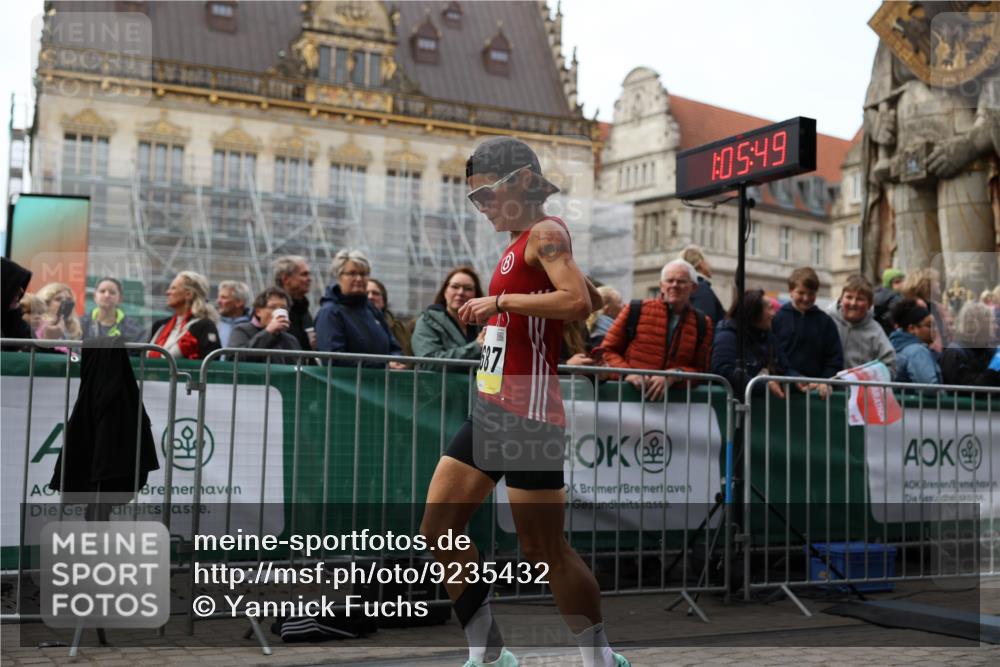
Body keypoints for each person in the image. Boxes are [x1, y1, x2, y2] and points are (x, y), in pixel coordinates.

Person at [419, 137, 628, 667]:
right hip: (494, 408)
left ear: (522, 181)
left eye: (486, 193)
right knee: (439, 528)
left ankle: (600, 658)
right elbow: (581, 301)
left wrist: (499, 302)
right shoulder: (518, 243)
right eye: (474, 198)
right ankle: (488, 655)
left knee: (545, 550)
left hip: (528, 415)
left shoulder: (547, 232)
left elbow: (580, 301)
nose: (481, 204)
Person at [597, 259, 713, 400]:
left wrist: (675, 375)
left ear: (694, 287)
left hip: (675, 409)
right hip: (627, 401)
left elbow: (701, 370)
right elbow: (606, 351)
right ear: (661, 285)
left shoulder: (702, 323)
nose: (674, 285)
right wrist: (628, 373)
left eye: (681, 281)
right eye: (669, 281)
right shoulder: (635, 309)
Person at [315, 249, 405, 369]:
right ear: (339, 276)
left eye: (363, 274)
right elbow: (334, 359)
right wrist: (383, 366)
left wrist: (396, 360)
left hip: (380, 384)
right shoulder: (330, 312)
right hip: (347, 386)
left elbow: (394, 346)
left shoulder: (372, 310)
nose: (359, 279)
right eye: (352, 274)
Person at [712, 289, 809, 398]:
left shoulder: (770, 338)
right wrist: (761, 385)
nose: (774, 313)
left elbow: (785, 368)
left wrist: (797, 380)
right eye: (770, 308)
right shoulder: (728, 336)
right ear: (755, 312)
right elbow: (724, 370)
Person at [771, 267, 843, 393]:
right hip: (784, 388)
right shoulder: (777, 318)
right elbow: (773, 353)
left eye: (811, 294)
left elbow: (834, 358)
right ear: (791, 291)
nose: (806, 298)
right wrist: (792, 377)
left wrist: (825, 381)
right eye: (801, 293)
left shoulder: (825, 322)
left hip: (817, 390)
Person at [410, 267, 484, 365]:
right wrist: (476, 347)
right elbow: (428, 361)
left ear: (476, 295)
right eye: (455, 286)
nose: (460, 292)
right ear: (445, 291)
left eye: (468, 288)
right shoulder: (427, 321)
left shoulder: (485, 324)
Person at [829, 275, 896, 377]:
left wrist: (868, 379)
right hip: (825, 390)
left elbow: (889, 365)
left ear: (869, 304)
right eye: (849, 297)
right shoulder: (828, 321)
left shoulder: (875, 331)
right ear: (841, 299)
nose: (853, 303)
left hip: (861, 391)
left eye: (860, 299)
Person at [147, 271, 221, 360]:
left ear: (188, 294)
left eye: (173, 288)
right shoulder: (160, 325)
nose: (167, 292)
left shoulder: (204, 326)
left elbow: (211, 364)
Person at [228, 287, 303, 365]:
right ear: (258, 311)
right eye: (273, 307)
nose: (278, 311)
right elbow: (235, 359)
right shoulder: (241, 331)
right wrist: (268, 332)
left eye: (284, 308)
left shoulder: (290, 339)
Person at [940, 301, 1000, 387]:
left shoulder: (984, 349)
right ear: (977, 326)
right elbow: (973, 388)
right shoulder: (955, 353)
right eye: (991, 323)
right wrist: (993, 370)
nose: (996, 327)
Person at [888, 298, 942, 386]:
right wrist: (943, 395)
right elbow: (930, 387)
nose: (935, 329)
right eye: (929, 325)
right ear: (912, 329)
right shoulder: (917, 351)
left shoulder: (896, 346)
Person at [79, 277, 146, 343]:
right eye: (102, 291)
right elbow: (74, 351)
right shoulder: (80, 324)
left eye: (112, 292)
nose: (107, 295)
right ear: (94, 296)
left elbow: (138, 352)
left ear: (120, 298)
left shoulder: (134, 329)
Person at [273, 255, 315, 353]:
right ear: (286, 279)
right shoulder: (270, 308)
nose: (309, 279)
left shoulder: (303, 309)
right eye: (304, 275)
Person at [901, 268, 947, 353]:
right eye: (936, 281)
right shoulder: (920, 307)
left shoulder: (931, 305)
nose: (938, 284)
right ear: (926, 285)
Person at [367, 277, 414, 357]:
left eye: (375, 293)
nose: (370, 297)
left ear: (384, 300)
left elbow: (407, 354)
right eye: (366, 294)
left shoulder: (396, 327)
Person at [680, 244, 725, 324]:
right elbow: (705, 322)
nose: (710, 265)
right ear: (701, 264)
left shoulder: (691, 286)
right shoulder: (701, 287)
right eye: (707, 261)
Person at [1, 257, 33, 348]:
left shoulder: (11, 318)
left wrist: (13, 314)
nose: (21, 291)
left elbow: (32, 344)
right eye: (14, 285)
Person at [215, 280, 251, 348]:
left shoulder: (253, 326)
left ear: (239, 302)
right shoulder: (214, 323)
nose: (218, 301)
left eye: (224, 297)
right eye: (219, 297)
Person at [585, 285, 622, 349]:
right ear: (607, 309)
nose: (623, 306)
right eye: (620, 302)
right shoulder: (604, 336)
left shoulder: (589, 329)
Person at [873, 267, 904, 335]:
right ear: (889, 283)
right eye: (897, 282)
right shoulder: (896, 297)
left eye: (902, 281)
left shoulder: (876, 294)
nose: (901, 284)